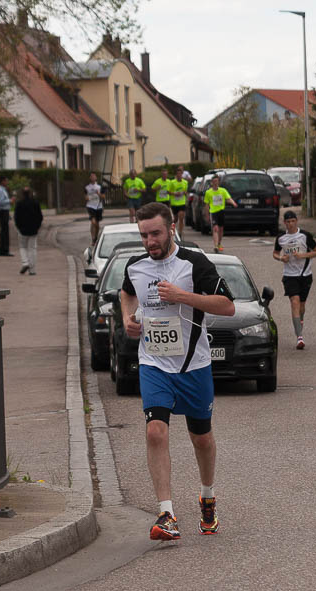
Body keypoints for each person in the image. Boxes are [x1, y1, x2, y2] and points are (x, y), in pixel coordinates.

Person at [120, 202, 235, 541]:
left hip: (193, 366)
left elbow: (227, 306)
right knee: (155, 431)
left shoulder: (194, 263)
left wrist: (183, 296)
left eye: (155, 234)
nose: (149, 242)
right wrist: (127, 318)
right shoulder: (135, 265)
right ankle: (166, 513)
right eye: (144, 235)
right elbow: (127, 292)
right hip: (154, 363)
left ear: (171, 228)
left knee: (201, 438)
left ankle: (207, 496)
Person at [273, 211, 316, 350]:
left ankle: (300, 321)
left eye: (293, 221)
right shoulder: (281, 238)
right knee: (295, 301)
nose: (291, 224)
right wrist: (281, 258)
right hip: (289, 275)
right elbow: (275, 253)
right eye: (288, 222)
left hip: (305, 274)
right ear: (284, 223)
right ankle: (299, 337)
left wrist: (302, 255)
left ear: (296, 221)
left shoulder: (305, 235)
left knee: (302, 306)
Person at [205, 174, 238, 253]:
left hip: (221, 212)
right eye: (214, 181)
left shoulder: (223, 191)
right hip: (213, 212)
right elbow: (206, 205)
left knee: (221, 229)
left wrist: (233, 203)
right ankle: (216, 246)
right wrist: (207, 215)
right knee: (215, 228)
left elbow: (228, 198)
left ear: (219, 182)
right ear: (212, 182)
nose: (215, 183)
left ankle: (219, 243)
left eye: (217, 181)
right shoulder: (208, 192)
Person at [14, 186, 42, 275]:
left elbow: (16, 217)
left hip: (22, 229)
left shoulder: (19, 203)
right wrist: (37, 226)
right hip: (33, 229)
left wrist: (18, 227)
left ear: (22, 194)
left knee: (22, 247)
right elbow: (40, 216)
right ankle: (32, 270)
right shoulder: (35, 203)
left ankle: (25, 262)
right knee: (32, 248)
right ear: (30, 193)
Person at [167, 166, 188, 238]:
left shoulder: (185, 182)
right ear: (176, 175)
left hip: (182, 203)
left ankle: (180, 233)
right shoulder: (172, 182)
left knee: (181, 217)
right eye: (178, 174)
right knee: (175, 219)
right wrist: (175, 194)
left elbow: (186, 192)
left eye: (180, 174)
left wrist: (185, 193)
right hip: (174, 203)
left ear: (182, 174)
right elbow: (168, 191)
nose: (179, 175)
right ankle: (171, 228)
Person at [0, 176, 14, 256]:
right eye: (6, 181)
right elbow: (0, 202)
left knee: (5, 231)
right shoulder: (0, 190)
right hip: (2, 212)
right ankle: (4, 250)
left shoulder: (3, 190)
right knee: (4, 231)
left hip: (4, 211)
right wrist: (10, 200)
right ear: (2, 181)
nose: (7, 182)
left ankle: (4, 249)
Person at [85, 172, 105, 244]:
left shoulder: (99, 186)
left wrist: (98, 194)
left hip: (98, 206)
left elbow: (103, 196)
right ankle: (93, 238)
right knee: (93, 222)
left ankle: (96, 237)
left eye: (94, 176)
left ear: (96, 178)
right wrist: (87, 198)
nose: (93, 177)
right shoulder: (87, 187)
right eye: (91, 176)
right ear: (90, 178)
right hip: (90, 206)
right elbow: (85, 197)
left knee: (97, 224)